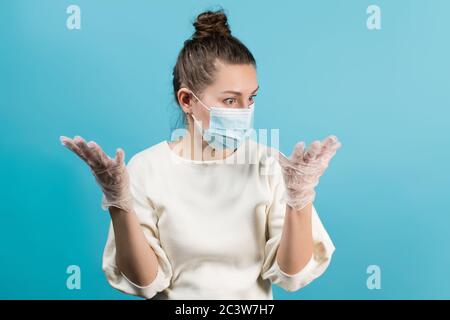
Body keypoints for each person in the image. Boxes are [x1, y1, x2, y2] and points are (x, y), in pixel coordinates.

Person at [59, 8, 341, 300]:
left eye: (251, 98)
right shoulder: (147, 168)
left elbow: (291, 275)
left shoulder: (269, 164)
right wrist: (120, 203)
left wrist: (300, 199)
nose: (245, 111)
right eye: (230, 100)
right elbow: (145, 283)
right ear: (187, 101)